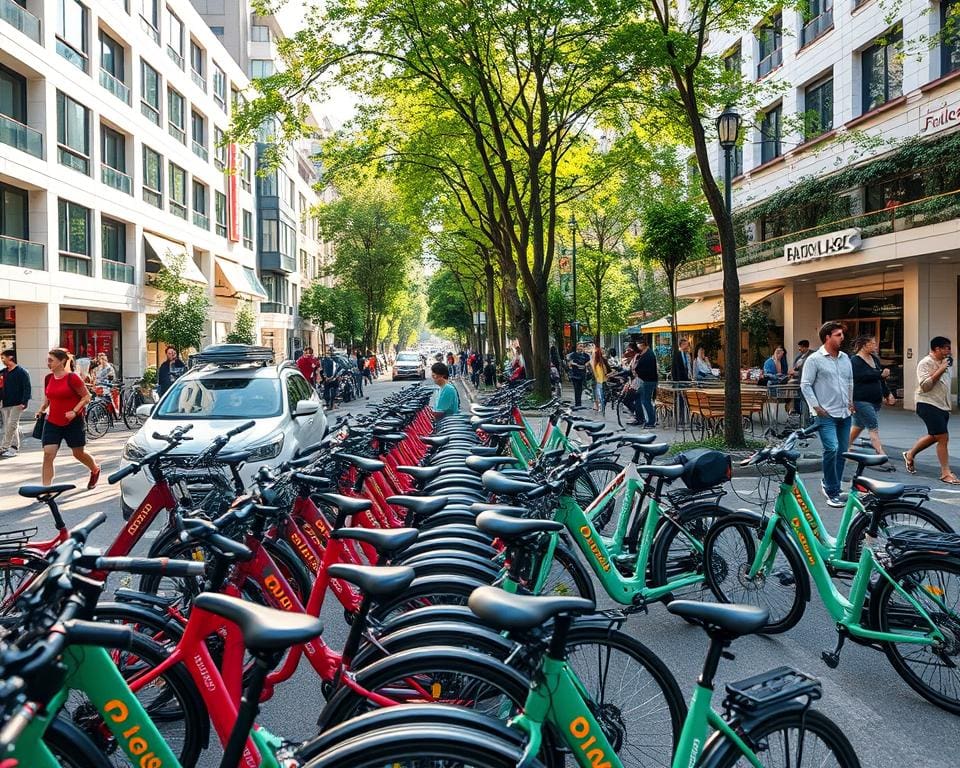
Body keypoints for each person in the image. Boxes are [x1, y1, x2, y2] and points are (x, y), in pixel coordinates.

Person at [800, 322, 854, 507]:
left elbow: (849, 382)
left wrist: (851, 401)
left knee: (842, 451)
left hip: (845, 413)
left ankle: (834, 486)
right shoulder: (814, 359)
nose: (842, 337)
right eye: (838, 334)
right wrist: (815, 407)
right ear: (827, 338)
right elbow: (805, 384)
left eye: (842, 334)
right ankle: (832, 491)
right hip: (825, 414)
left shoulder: (845, 358)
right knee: (831, 448)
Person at [35, 348, 99, 488]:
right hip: (52, 422)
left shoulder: (72, 378)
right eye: (48, 360)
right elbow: (48, 398)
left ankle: (95, 469)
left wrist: (74, 412)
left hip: (73, 422)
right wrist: (41, 410)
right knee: (48, 454)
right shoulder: (48, 378)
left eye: (51, 360)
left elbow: (87, 397)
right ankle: (46, 489)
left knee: (78, 453)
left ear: (62, 361)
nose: (48, 363)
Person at [903, 336, 957, 484]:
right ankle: (946, 472)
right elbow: (925, 386)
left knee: (935, 435)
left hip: (942, 405)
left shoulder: (945, 362)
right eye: (946, 348)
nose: (949, 351)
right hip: (927, 403)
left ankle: (910, 454)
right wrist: (940, 369)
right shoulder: (925, 363)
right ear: (937, 349)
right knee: (943, 437)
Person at [848, 335, 897, 471]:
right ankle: (881, 455)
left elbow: (880, 380)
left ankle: (845, 445)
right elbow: (860, 377)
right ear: (864, 345)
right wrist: (880, 374)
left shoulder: (874, 359)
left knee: (858, 425)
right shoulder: (855, 360)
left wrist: (888, 393)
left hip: (875, 399)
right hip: (861, 399)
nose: (876, 346)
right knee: (873, 427)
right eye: (873, 343)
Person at [0, 350, 30, 458]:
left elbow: (27, 387)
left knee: (11, 425)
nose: (2, 360)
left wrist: (24, 402)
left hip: (18, 403)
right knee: (12, 426)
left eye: (3, 358)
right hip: (5, 403)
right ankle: (14, 448)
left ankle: (4, 447)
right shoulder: (3, 372)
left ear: (10, 357)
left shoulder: (21, 371)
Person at [631, 338, 658, 428]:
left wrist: (637, 371)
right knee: (641, 400)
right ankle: (643, 418)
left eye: (638, 344)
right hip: (645, 380)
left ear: (642, 345)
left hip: (648, 381)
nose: (638, 346)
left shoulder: (648, 355)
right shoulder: (645, 353)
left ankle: (651, 421)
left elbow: (647, 369)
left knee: (646, 401)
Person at [788, 340, 812, 414]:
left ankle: (793, 408)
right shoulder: (799, 356)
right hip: (796, 379)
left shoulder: (811, 356)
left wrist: (796, 373)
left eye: (800, 347)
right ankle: (792, 407)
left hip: (804, 380)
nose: (799, 349)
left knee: (790, 385)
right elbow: (795, 366)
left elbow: (809, 371)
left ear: (805, 347)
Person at [566, 342, 590, 407]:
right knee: (576, 388)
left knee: (580, 388)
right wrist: (574, 364)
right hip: (575, 374)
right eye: (580, 346)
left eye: (582, 346)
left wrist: (586, 364)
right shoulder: (573, 355)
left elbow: (589, 361)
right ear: (577, 347)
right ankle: (577, 403)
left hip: (582, 374)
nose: (581, 347)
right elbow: (569, 363)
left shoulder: (586, 355)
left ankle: (579, 402)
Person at [591, 346, 610, 412]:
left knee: (598, 393)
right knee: (601, 394)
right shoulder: (600, 361)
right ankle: (600, 407)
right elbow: (605, 371)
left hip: (598, 380)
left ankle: (599, 406)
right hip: (600, 380)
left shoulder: (595, 361)